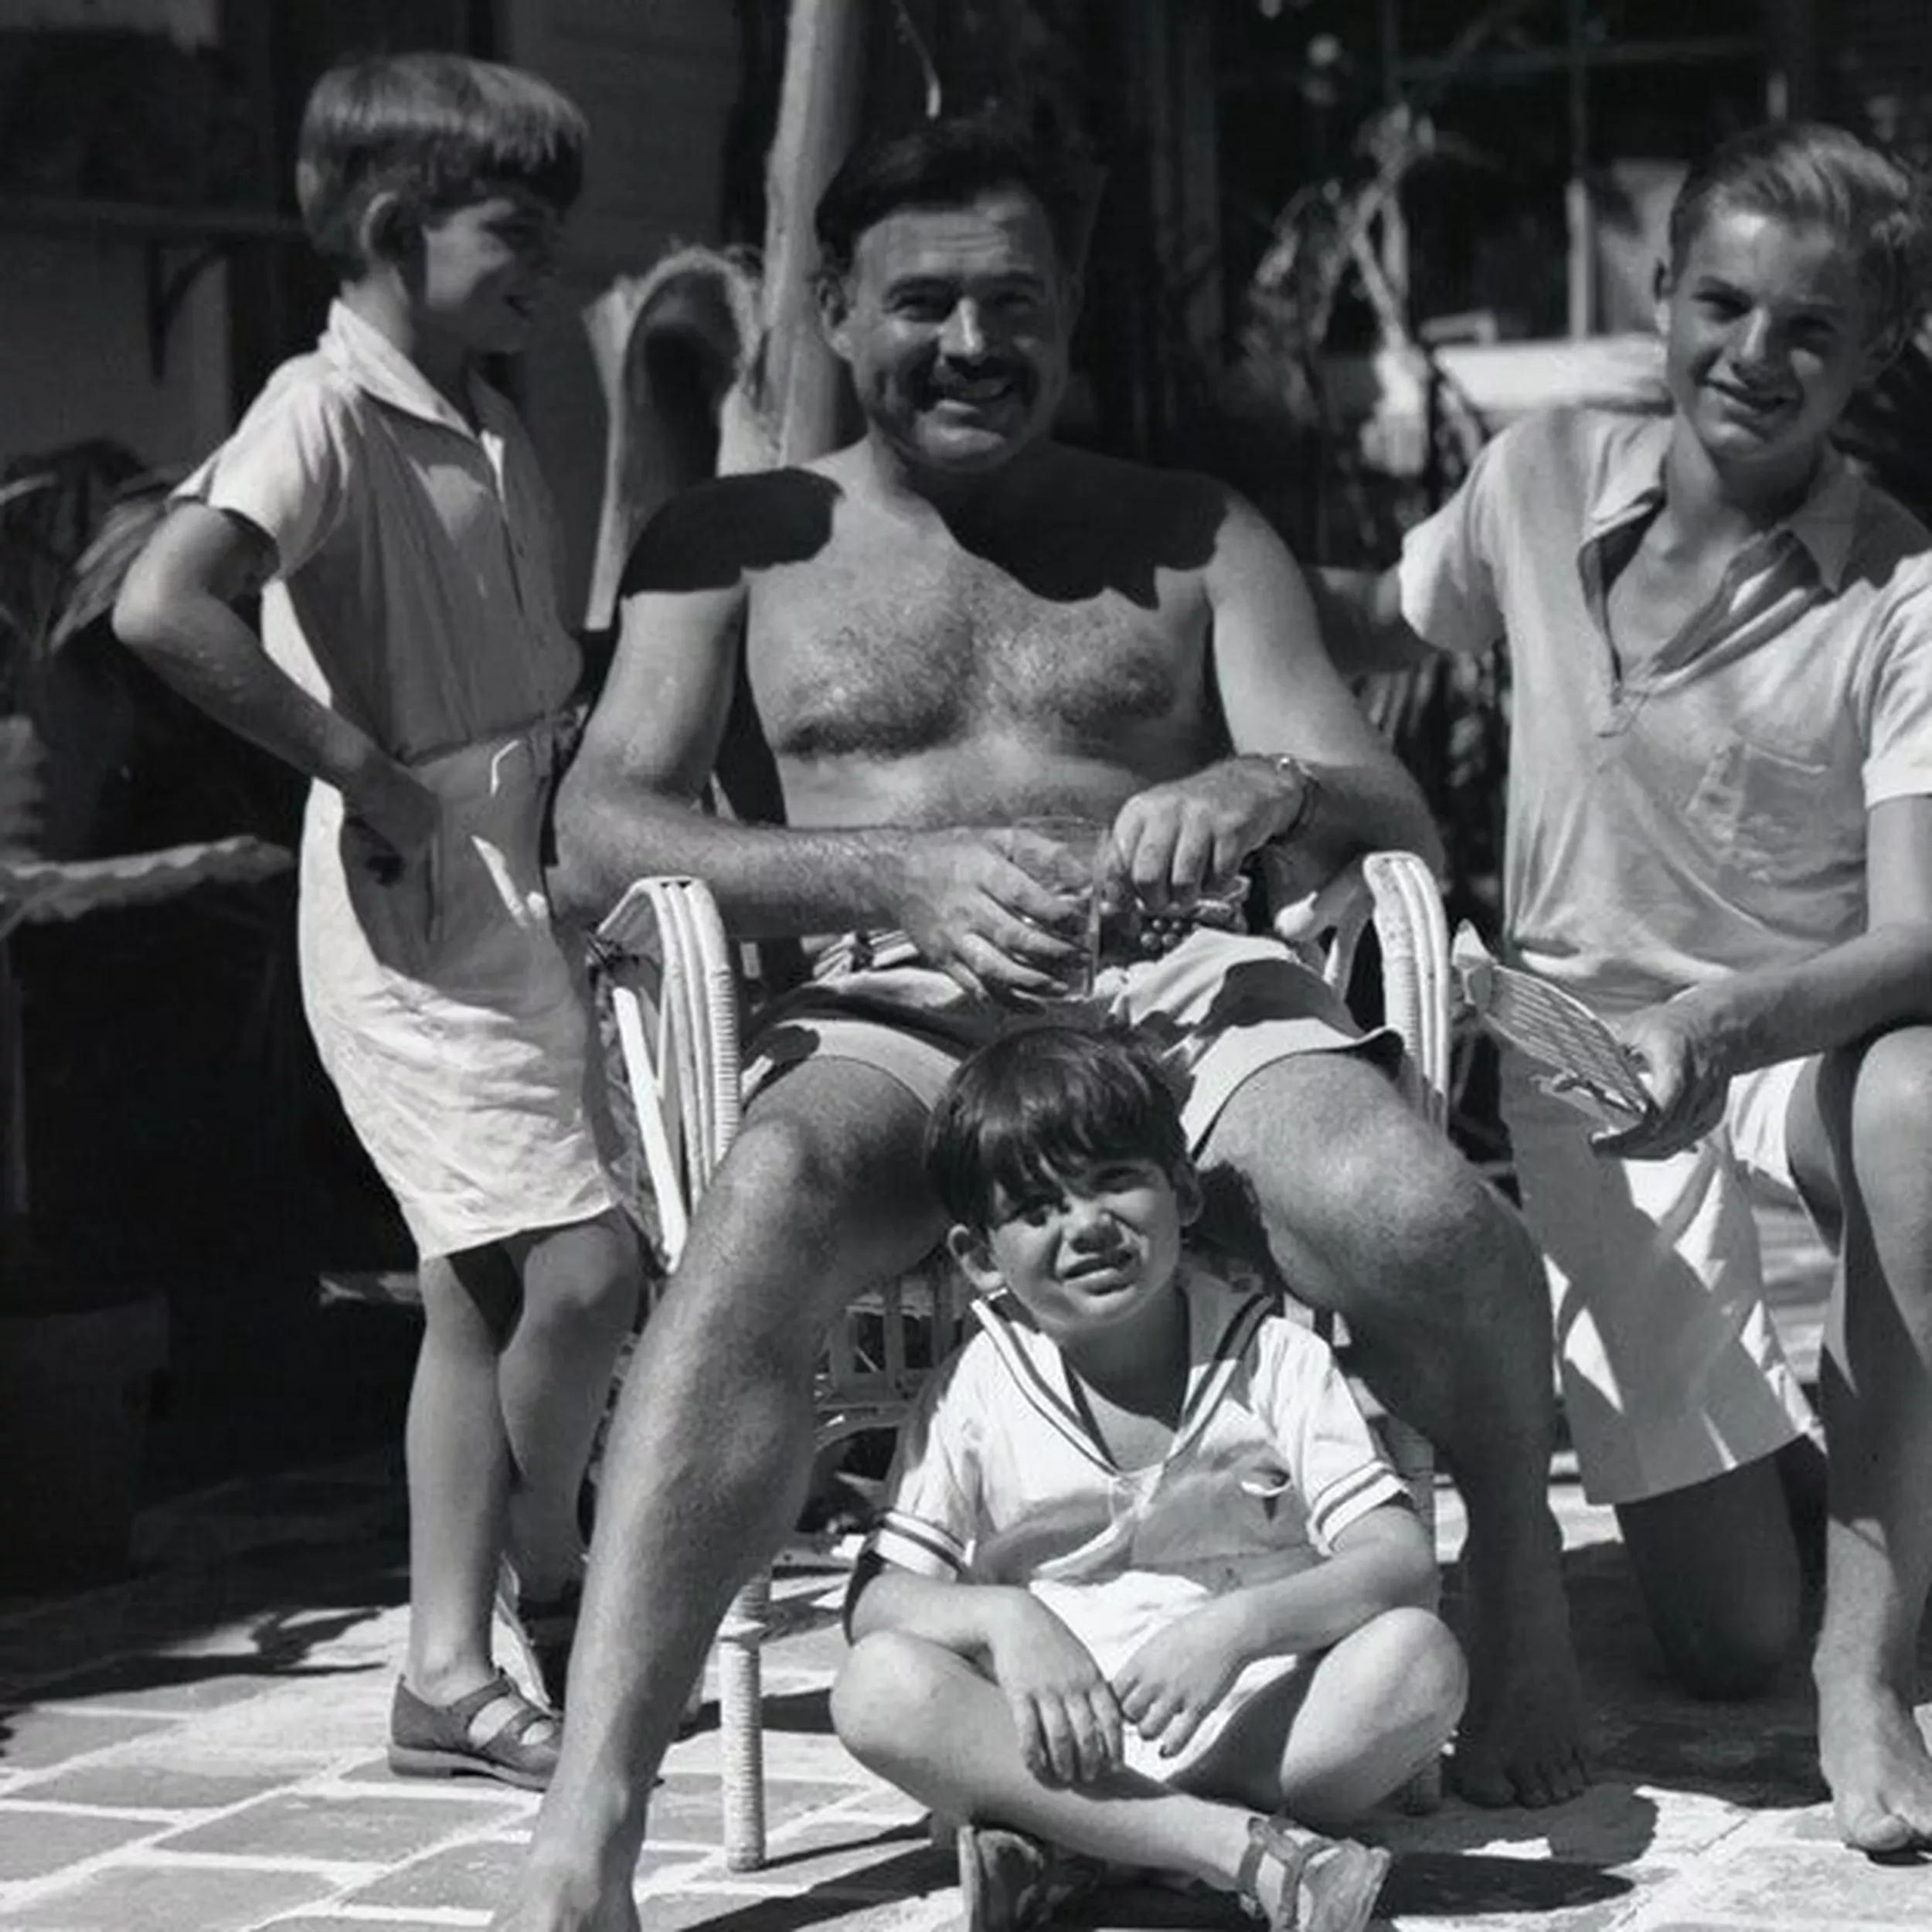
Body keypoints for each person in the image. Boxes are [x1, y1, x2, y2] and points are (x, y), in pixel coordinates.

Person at [492, 111, 1587, 1932]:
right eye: (924, 303)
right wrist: (886, 881)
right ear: (836, 313)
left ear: (1068, 310)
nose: (973, 343)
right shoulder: (733, 539)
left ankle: (1523, 1585)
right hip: (898, 1015)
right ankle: (592, 1821)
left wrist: (1262, 789)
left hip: (1181, 999)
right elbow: (600, 828)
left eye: (1014, 299)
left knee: (1415, 1211)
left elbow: (1384, 807)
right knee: (758, 1208)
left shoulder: (1189, 533)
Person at [1319, 121, 1932, 1852]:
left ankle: (1864, 1669)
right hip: (1577, 1062)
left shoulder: (1901, 591)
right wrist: (1179, 615)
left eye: (1809, 329)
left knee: (1920, 1100)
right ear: (1658, 296)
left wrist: (1719, 1024)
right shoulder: (1532, 477)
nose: (1753, 354)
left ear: (1873, 353)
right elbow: (1384, 613)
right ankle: (1872, 1475)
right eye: (1719, 302)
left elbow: (1919, 936)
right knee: (1719, 1631)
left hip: (1788, 1043)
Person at [111, 53, 640, 1788]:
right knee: (572, 1267)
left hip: (519, 862)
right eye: (516, 228)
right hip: (416, 882)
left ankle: (441, 1662)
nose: (543, 260)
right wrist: (372, 776)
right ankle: (551, 1571)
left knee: (483, 1292)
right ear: (400, 229)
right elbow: (164, 604)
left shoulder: (475, 399)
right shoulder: (318, 410)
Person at [833, 1022, 1464, 1932]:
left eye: (1111, 1182)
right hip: (1045, 1740)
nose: (1085, 1225)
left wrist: (1239, 1628)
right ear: (978, 1256)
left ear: (1180, 1191)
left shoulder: (1270, 1356)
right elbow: (879, 1604)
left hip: (1253, 1726)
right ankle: (1230, 1850)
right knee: (876, 1686)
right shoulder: (979, 1384)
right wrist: (1005, 1618)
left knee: (1418, 1662)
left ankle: (1083, 1846)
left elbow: (1399, 1560)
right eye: (1039, 1208)